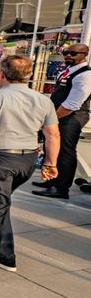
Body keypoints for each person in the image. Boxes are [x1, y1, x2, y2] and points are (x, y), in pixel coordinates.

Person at [0, 55, 59, 271]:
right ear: (29, 75)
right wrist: (50, 163)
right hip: (28, 159)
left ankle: (5, 255)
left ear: (2, 74)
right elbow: (53, 135)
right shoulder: (43, 100)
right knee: (0, 198)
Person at [32, 44, 91, 199]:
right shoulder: (67, 71)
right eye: (66, 52)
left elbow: (72, 105)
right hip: (59, 115)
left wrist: (50, 119)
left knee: (65, 151)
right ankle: (52, 180)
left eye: (73, 53)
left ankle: (61, 188)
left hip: (71, 117)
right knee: (53, 148)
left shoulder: (85, 75)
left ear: (84, 54)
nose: (68, 56)